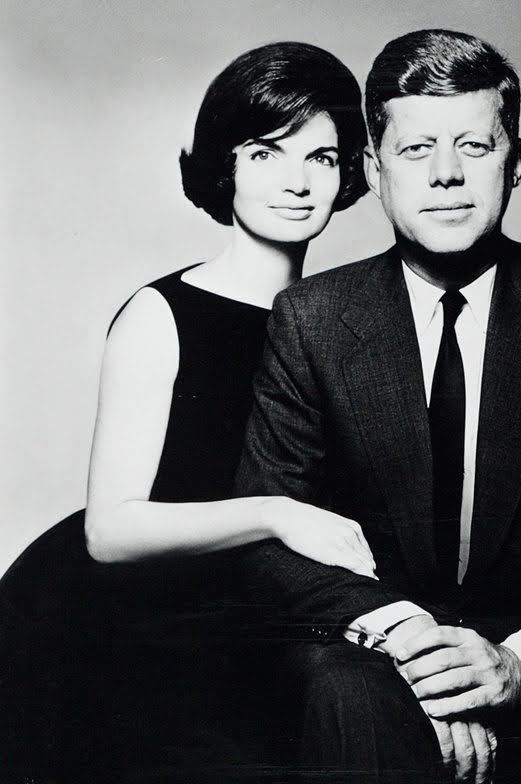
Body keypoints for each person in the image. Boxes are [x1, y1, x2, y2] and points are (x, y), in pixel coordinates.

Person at [234, 28, 521, 783]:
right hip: (370, 668)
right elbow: (268, 538)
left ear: (516, 162)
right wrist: (421, 649)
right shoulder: (311, 319)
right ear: (373, 170)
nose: (446, 174)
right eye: (416, 150)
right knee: (347, 698)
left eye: (474, 146)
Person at [0, 41, 371, 783]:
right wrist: (276, 514)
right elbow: (110, 531)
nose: (298, 182)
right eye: (266, 153)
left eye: (323, 157)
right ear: (224, 167)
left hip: (260, 623)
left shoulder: (346, 322)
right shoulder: (160, 313)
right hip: (115, 628)